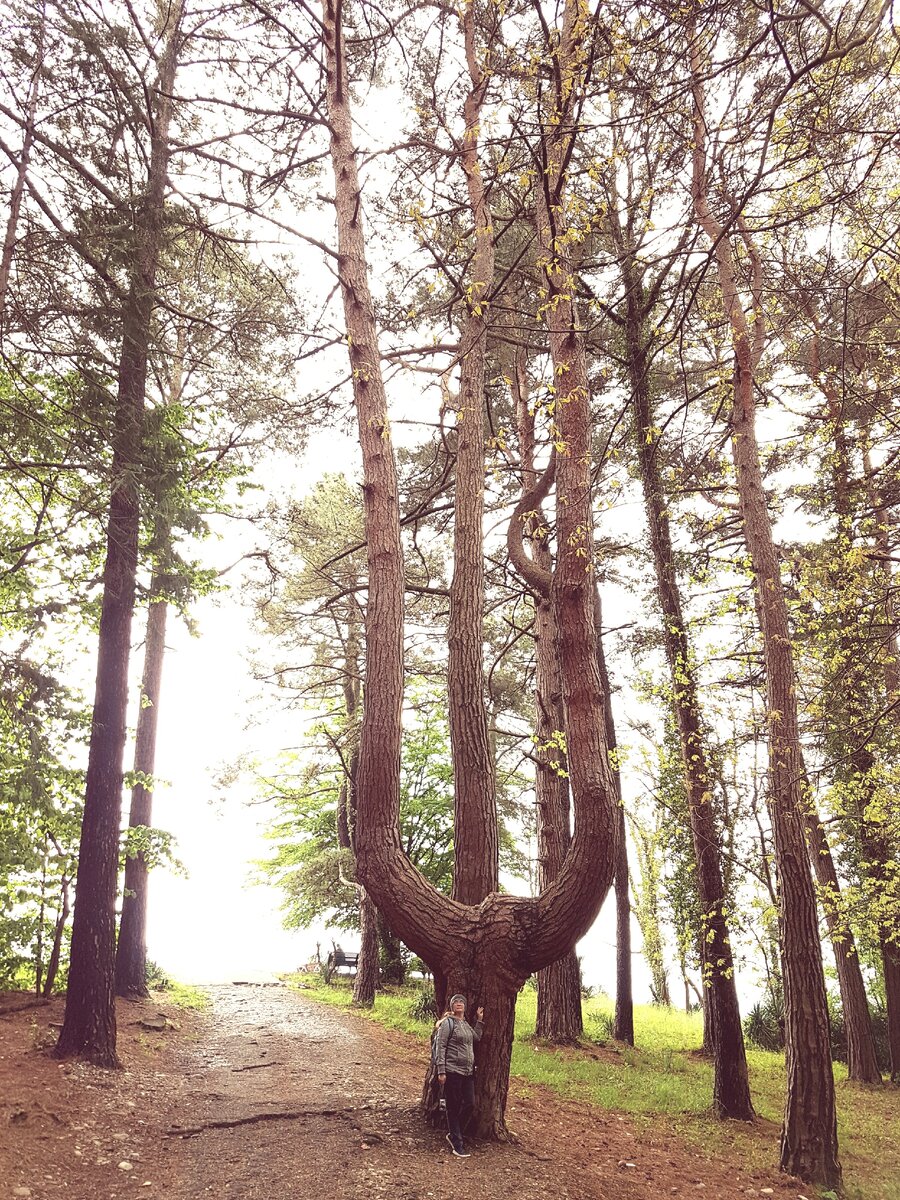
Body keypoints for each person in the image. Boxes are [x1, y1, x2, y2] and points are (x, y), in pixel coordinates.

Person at [434, 993, 484, 1158]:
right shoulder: (448, 1023)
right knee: (453, 1107)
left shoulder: (465, 1024)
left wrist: (480, 1020)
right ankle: (457, 1143)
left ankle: (456, 1133)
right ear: (452, 1006)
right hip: (452, 1071)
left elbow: (476, 1038)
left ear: (465, 1006)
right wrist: (441, 1071)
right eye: (455, 1002)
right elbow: (440, 1046)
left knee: (470, 1104)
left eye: (462, 1001)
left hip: (468, 1072)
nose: (459, 1003)